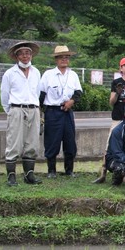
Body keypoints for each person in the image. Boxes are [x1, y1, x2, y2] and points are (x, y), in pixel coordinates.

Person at [93, 56, 125, 184]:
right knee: (109, 146)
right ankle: (103, 172)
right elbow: (111, 102)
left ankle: (124, 174)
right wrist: (117, 93)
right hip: (117, 119)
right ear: (121, 68)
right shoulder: (117, 83)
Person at [0, 41, 42, 186]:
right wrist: (12, 111)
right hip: (16, 108)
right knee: (14, 142)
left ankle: (29, 175)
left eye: (27, 53)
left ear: (31, 55)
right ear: (17, 55)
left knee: (32, 142)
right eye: (22, 53)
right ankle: (11, 176)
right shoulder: (10, 73)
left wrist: (35, 108)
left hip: (34, 108)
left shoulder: (36, 72)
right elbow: (4, 95)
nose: (25, 56)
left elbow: (37, 92)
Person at [38, 45, 83, 178]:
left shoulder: (73, 75)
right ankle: (51, 170)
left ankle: (69, 170)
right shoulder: (48, 74)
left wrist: (71, 102)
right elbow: (41, 94)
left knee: (70, 141)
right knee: (52, 141)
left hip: (67, 112)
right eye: (61, 57)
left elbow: (78, 92)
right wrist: (41, 111)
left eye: (67, 57)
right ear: (56, 59)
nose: (64, 60)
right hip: (52, 111)